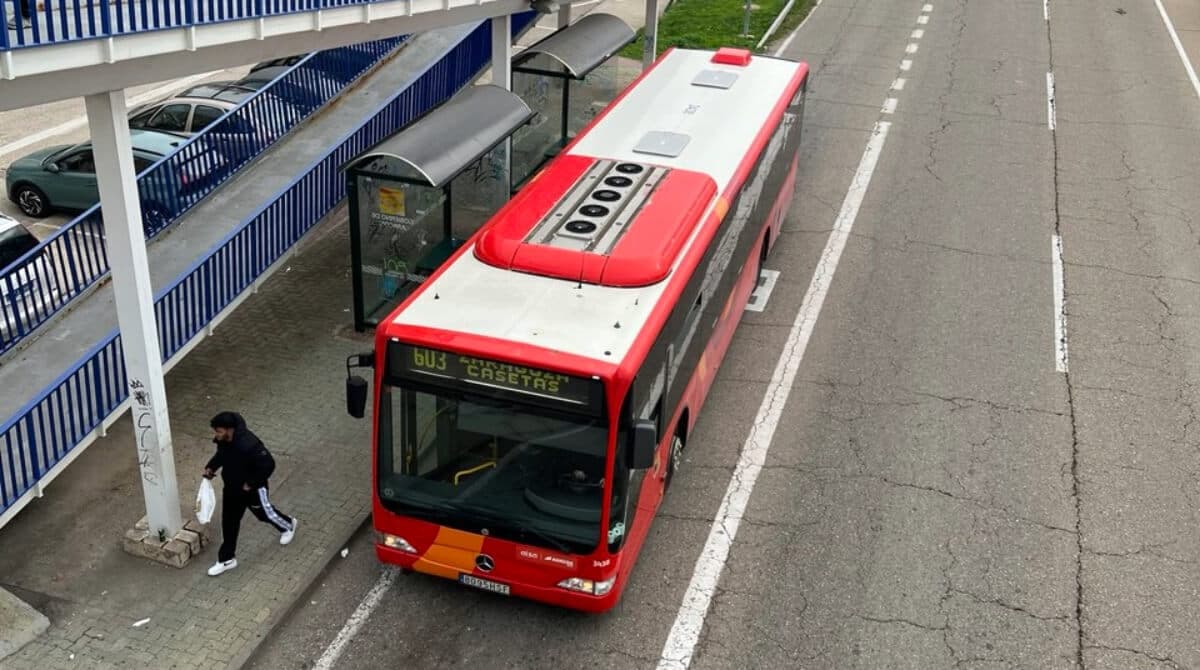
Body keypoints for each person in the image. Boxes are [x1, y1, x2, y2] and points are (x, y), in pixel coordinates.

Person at [203, 411, 297, 577]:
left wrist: (250, 483)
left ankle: (288, 525)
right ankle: (227, 559)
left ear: (229, 429)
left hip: (252, 490)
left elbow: (269, 464)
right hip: (232, 489)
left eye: (219, 431)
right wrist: (211, 467)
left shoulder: (249, 444)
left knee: (264, 514)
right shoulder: (224, 441)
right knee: (229, 522)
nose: (216, 435)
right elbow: (221, 455)